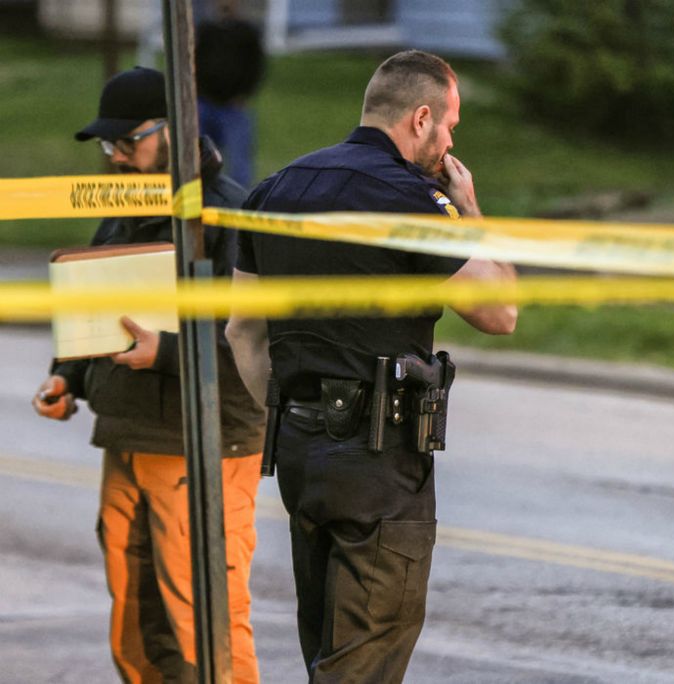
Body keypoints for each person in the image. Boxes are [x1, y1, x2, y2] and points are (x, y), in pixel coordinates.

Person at [225, 50, 517, 682]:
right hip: (380, 462)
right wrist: (471, 213)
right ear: (420, 119)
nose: (450, 140)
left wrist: (286, 413)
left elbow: (241, 332)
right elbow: (499, 312)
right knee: (365, 663)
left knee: (327, 650)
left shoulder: (273, 192)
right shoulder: (410, 199)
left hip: (300, 455)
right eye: (449, 125)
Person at [32, 66, 265, 684]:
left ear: (177, 132)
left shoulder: (228, 218)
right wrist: (68, 377)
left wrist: (165, 351)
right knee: (135, 617)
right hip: (128, 435)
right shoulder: (125, 208)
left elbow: (256, 344)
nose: (116, 158)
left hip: (204, 443)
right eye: (109, 147)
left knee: (205, 615)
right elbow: (95, 305)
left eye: (126, 142)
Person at [195, 16, 266, 188]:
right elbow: (195, 59)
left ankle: (241, 202)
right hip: (205, 102)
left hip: (234, 106)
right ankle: (204, 195)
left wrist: (245, 93)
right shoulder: (207, 30)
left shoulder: (246, 31)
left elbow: (256, 64)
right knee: (200, 157)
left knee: (239, 161)